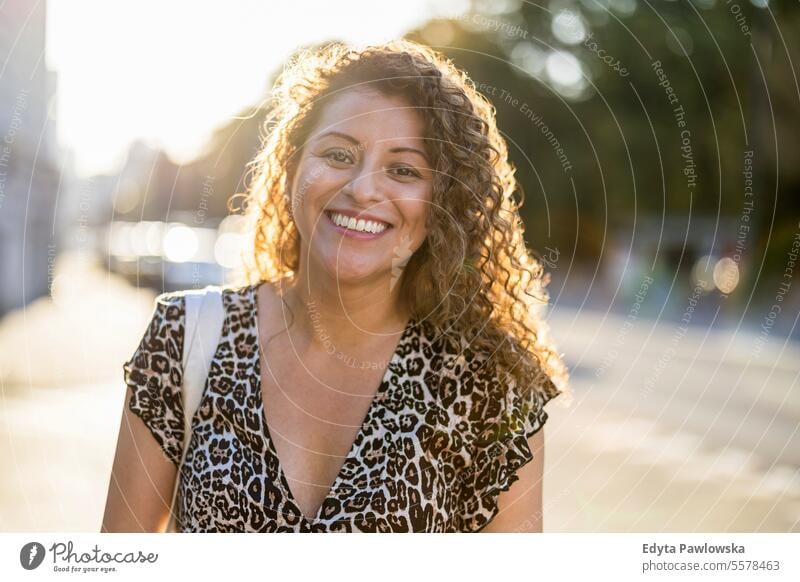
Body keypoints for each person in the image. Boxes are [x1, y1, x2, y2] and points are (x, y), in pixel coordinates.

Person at [102, 39, 568, 533]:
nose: (364, 188)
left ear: (441, 204)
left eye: (404, 169)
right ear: (291, 171)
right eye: (339, 154)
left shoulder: (491, 388)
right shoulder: (185, 336)